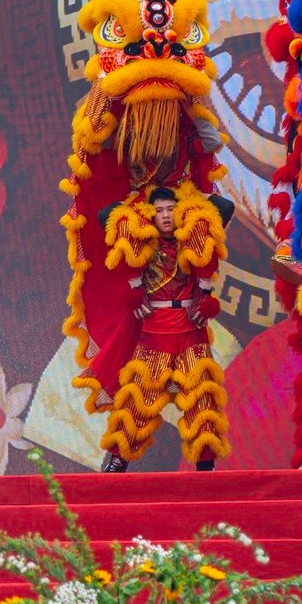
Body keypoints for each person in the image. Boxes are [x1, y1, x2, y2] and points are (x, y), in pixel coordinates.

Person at [84, 186, 229, 472]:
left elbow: (224, 207)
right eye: (159, 210)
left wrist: (192, 199)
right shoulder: (141, 242)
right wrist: (138, 204)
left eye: (170, 209)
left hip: (190, 333)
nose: (165, 216)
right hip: (154, 336)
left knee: (202, 399)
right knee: (137, 400)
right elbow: (105, 216)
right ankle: (117, 461)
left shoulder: (194, 237)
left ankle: (206, 467)